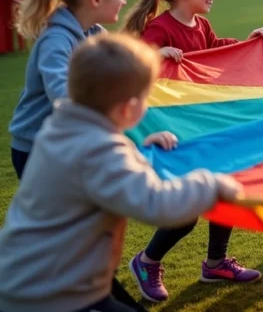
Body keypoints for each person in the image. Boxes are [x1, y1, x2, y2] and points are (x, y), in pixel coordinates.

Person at [0, 33, 244, 312]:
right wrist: (210, 184)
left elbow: (96, 169)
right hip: (47, 292)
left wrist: (137, 150)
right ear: (129, 108)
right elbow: (157, 204)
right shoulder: (101, 150)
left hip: (28, 275)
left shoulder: (60, 129)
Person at [121, 0, 263, 302]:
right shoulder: (159, 28)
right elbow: (135, 66)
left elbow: (214, 51)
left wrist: (248, 43)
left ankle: (216, 262)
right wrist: (157, 55)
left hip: (203, 126)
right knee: (187, 209)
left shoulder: (200, 24)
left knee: (222, 188)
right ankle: (147, 261)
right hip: (171, 132)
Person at [9, 0, 127, 179]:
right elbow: (62, 94)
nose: (124, 1)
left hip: (71, 140)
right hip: (37, 146)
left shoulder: (95, 33)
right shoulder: (55, 40)